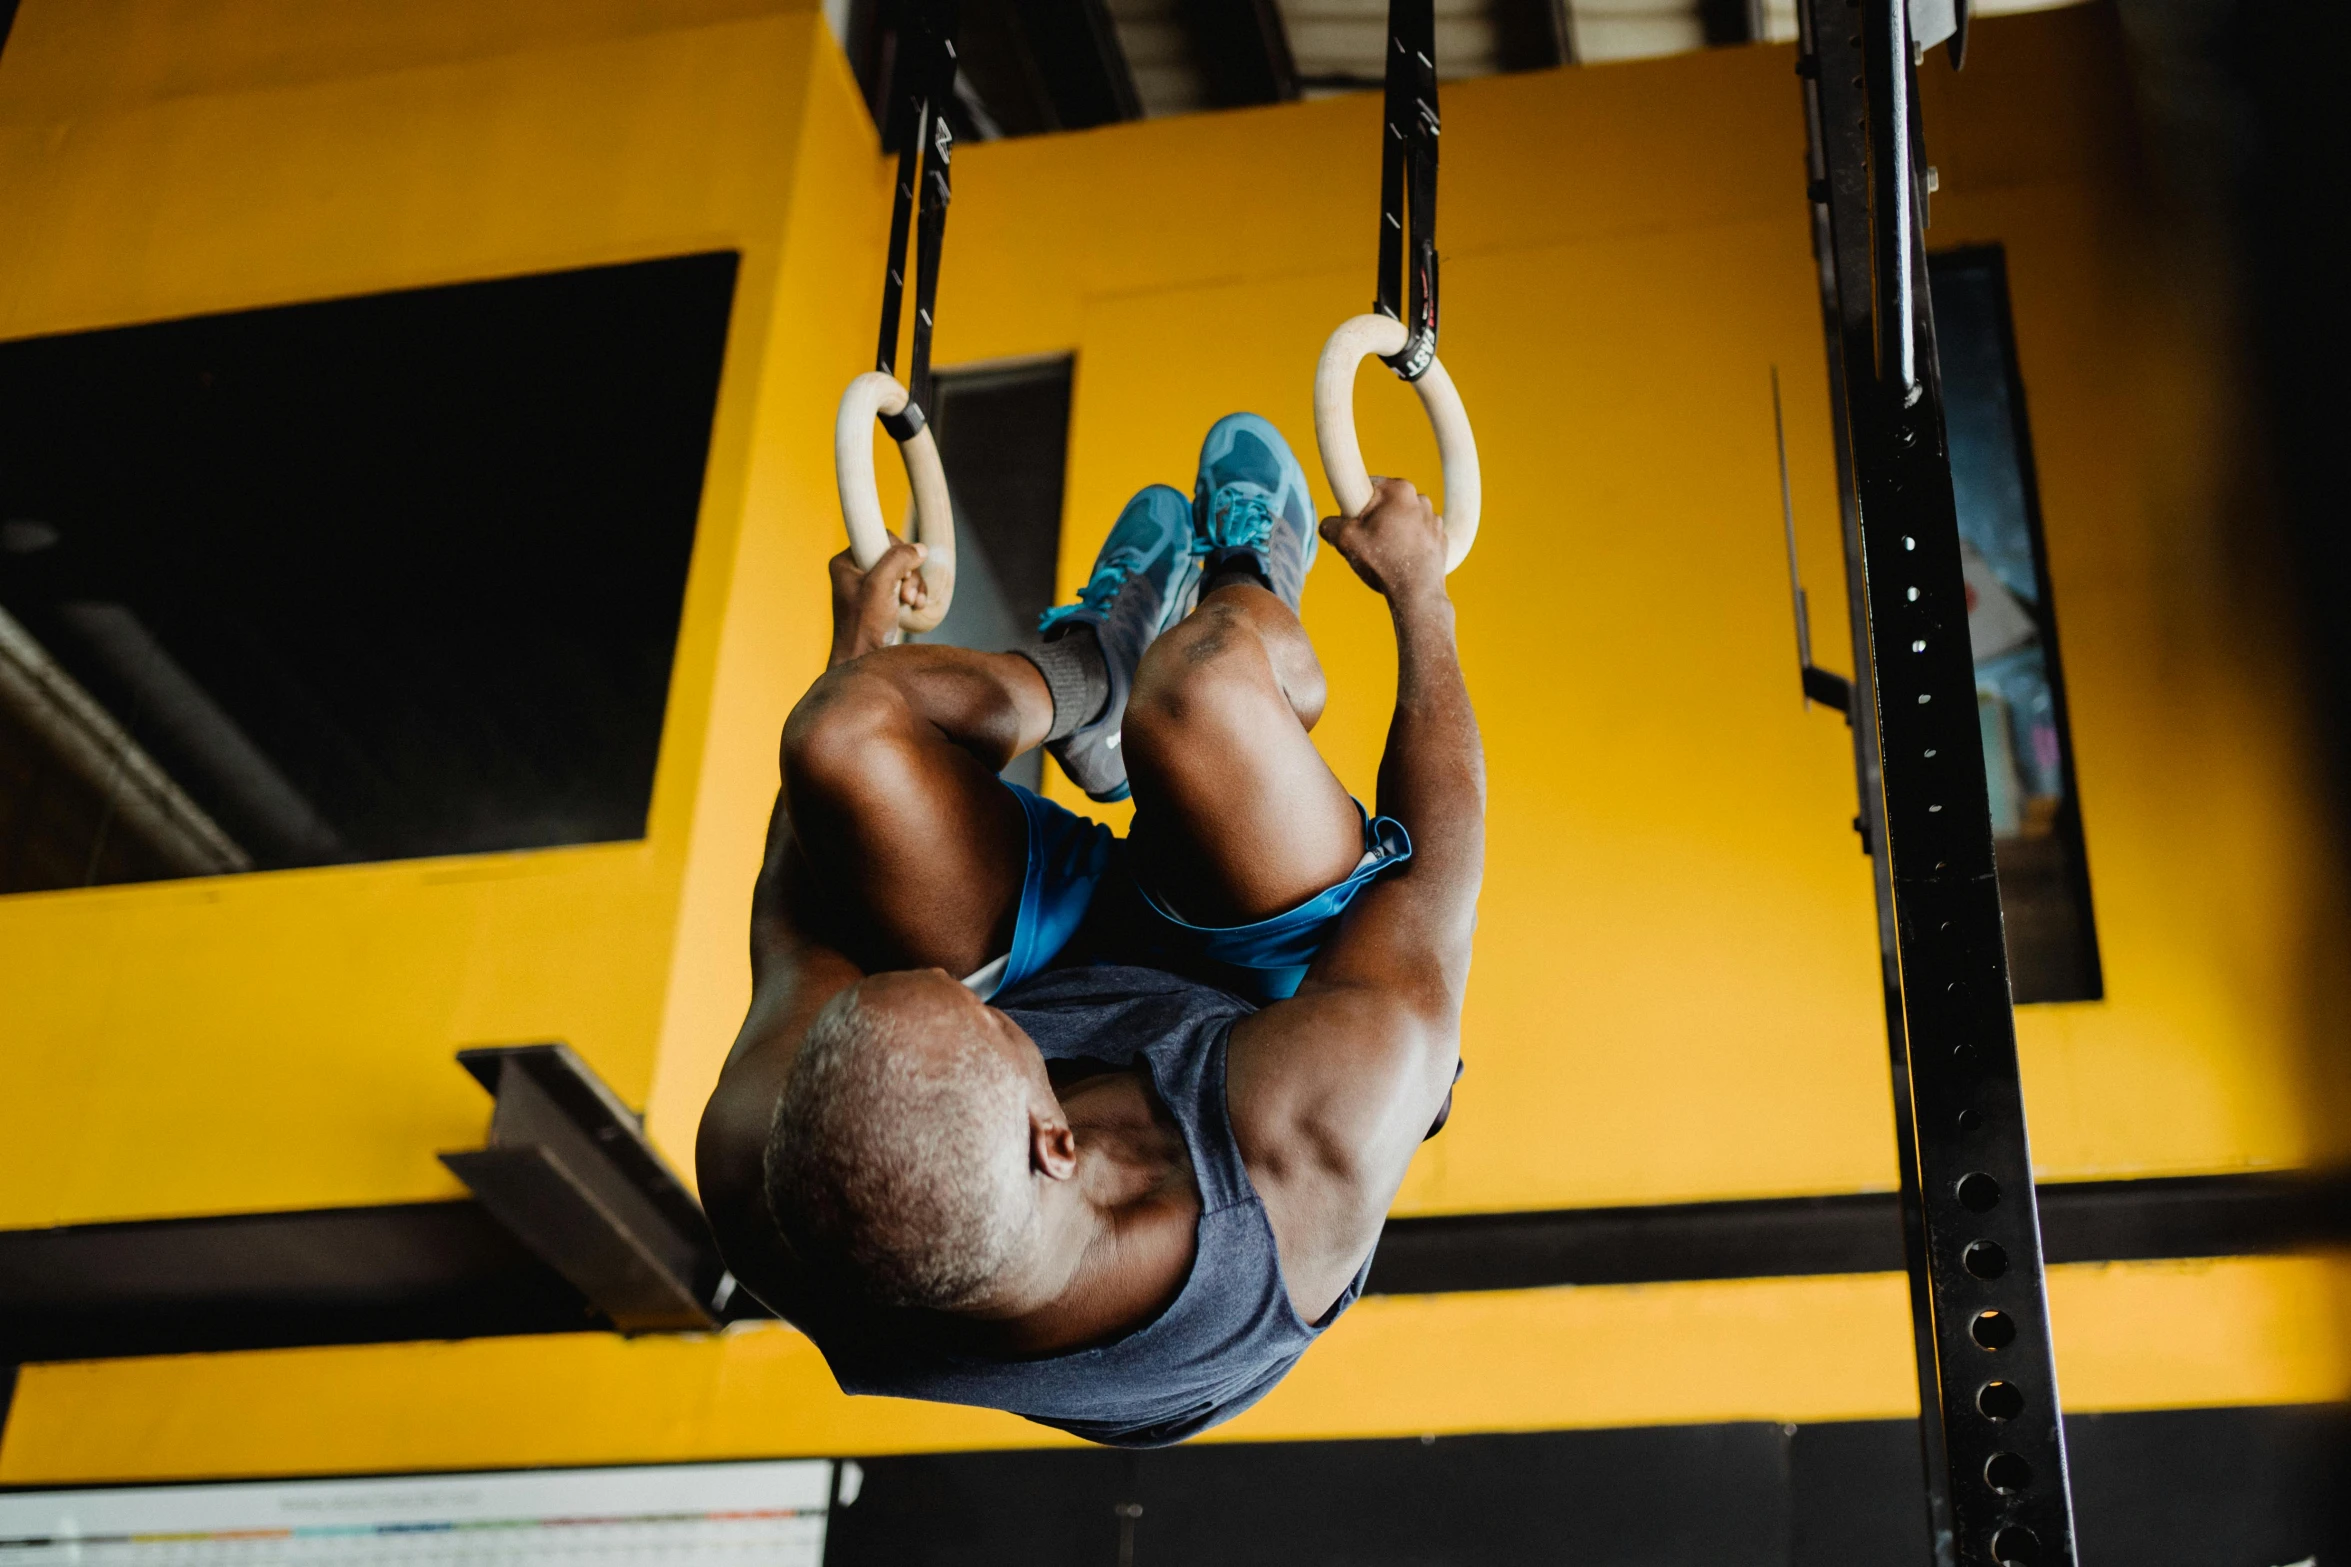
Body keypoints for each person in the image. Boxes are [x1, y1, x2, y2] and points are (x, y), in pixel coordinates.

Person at [696, 414, 1484, 1447]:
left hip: (1040, 949)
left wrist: (857, 651)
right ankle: (1250, 570)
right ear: (1055, 1133)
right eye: (988, 1020)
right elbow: (1433, 882)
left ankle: (1087, 674)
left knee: (837, 736)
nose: (970, 995)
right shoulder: (1308, 1143)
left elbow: (799, 920)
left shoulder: (759, 1172)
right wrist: (1420, 593)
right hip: (1263, 1006)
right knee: (1200, 685)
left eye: (929, 982)